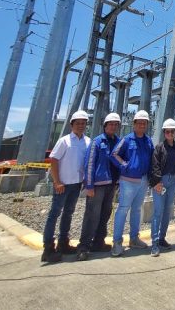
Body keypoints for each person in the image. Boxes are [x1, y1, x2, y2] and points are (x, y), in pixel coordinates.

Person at [41, 110, 90, 263]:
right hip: (63, 184)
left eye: (83, 123)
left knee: (68, 213)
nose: (81, 125)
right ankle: (48, 248)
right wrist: (57, 181)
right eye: (78, 123)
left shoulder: (87, 141)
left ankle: (63, 243)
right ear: (72, 125)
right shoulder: (64, 141)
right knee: (54, 214)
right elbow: (54, 160)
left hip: (76, 184)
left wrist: (84, 181)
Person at [76, 112, 122, 261]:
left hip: (111, 185)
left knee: (105, 214)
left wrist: (119, 182)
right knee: (91, 215)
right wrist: (89, 185)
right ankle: (84, 246)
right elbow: (89, 164)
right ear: (105, 126)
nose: (113, 127)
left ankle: (98, 242)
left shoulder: (118, 141)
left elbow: (121, 163)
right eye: (111, 124)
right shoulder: (97, 141)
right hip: (97, 185)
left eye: (116, 124)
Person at [110, 110, 154, 257]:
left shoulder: (148, 141)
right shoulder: (127, 139)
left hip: (143, 180)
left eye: (144, 123)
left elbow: (153, 160)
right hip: (128, 181)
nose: (142, 125)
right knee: (123, 209)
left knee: (136, 209)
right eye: (139, 122)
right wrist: (125, 166)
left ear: (147, 125)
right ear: (134, 124)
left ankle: (134, 238)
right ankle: (117, 242)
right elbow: (114, 154)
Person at [149, 118, 175, 257]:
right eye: (167, 131)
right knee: (158, 212)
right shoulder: (159, 148)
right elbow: (155, 165)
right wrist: (156, 182)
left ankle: (162, 238)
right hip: (160, 182)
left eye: (172, 131)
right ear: (164, 133)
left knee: (167, 211)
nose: (170, 134)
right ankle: (154, 243)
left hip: (173, 180)